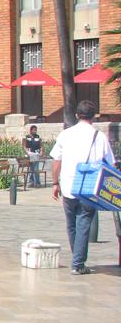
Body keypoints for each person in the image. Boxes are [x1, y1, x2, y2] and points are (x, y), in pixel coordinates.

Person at [51, 100, 115, 275]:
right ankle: (78, 263)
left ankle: (77, 257)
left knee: (71, 224)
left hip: (68, 185)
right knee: (84, 222)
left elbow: (57, 161)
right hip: (89, 187)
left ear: (77, 115)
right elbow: (110, 164)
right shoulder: (99, 136)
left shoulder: (66, 134)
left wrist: (55, 183)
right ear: (93, 117)